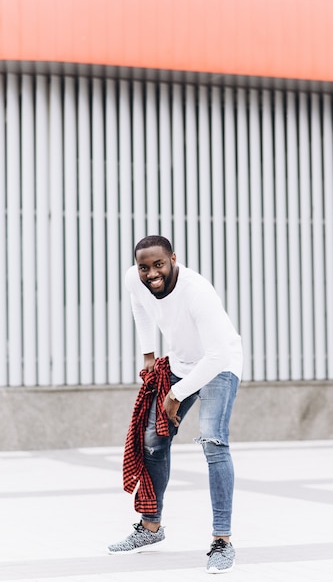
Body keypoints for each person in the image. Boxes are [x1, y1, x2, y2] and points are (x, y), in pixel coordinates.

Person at [107, 235, 243, 574]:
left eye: (159, 265)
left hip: (220, 366)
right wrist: (149, 355)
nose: (151, 274)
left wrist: (175, 395)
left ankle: (222, 541)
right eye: (144, 267)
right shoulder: (133, 278)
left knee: (213, 441)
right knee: (154, 440)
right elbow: (140, 307)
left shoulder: (198, 292)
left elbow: (216, 356)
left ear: (173, 259)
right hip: (181, 365)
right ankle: (151, 528)